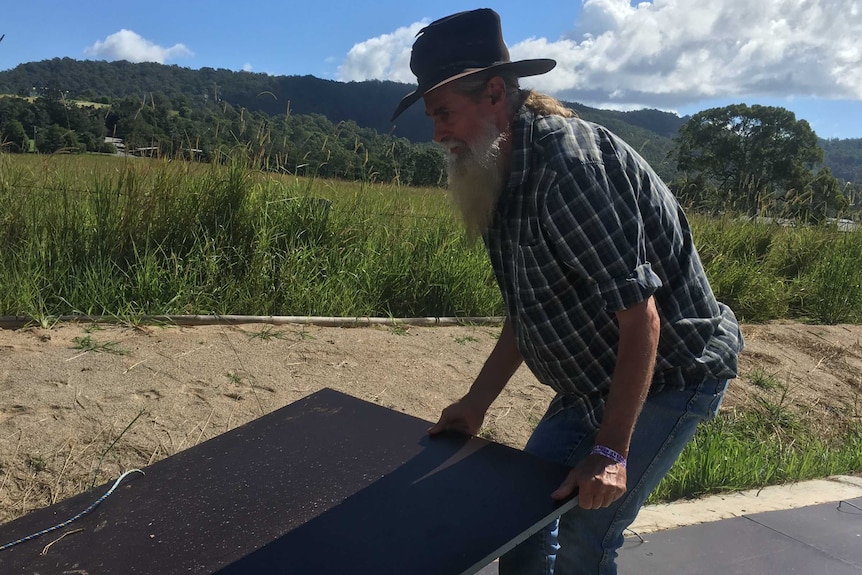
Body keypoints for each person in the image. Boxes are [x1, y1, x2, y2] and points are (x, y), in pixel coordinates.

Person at [391, 8, 744, 575]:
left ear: (494, 94)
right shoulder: (497, 169)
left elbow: (642, 320)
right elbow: (527, 313)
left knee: (587, 532)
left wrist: (609, 452)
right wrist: (474, 405)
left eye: (444, 113)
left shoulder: (566, 168)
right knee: (520, 520)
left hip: (670, 377)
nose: (437, 132)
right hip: (589, 384)